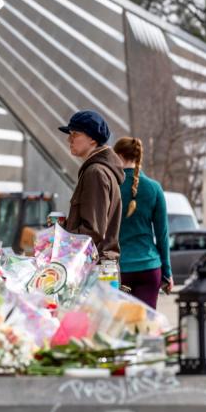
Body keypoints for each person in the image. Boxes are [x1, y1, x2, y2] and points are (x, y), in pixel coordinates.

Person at [112, 137, 173, 308]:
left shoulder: (111, 187)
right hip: (149, 267)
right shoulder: (154, 188)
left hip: (120, 270)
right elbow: (162, 235)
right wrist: (167, 273)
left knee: (119, 326)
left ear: (119, 155)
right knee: (145, 326)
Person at [59, 110, 125, 262]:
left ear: (92, 139)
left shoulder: (95, 172)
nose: (69, 139)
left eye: (74, 134)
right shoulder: (98, 170)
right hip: (99, 266)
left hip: (94, 269)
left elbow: (93, 230)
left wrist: (60, 243)